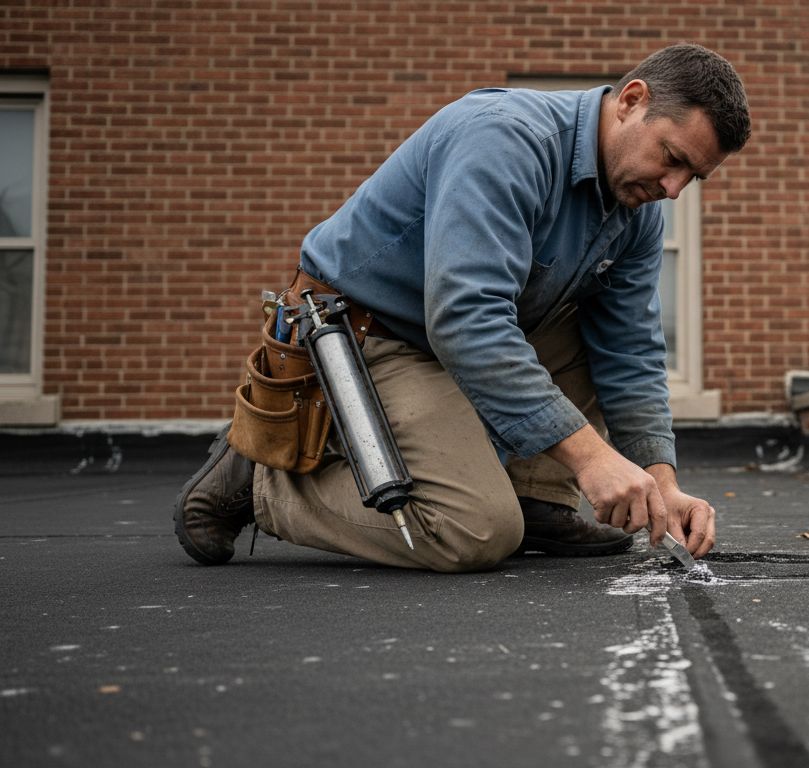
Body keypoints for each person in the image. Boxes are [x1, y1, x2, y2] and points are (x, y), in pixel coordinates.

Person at [173, 43, 751, 572]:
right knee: (471, 531)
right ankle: (265, 479)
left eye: (692, 177)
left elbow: (629, 348)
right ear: (631, 101)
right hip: (367, 334)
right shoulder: (504, 138)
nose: (674, 189)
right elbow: (466, 319)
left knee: (593, 328)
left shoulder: (636, 210)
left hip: (446, 337)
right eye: (670, 158)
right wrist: (592, 460)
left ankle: (534, 498)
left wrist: (661, 481)